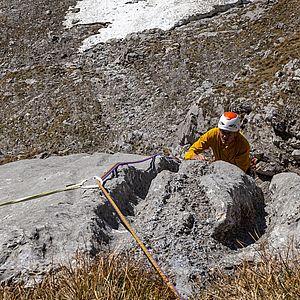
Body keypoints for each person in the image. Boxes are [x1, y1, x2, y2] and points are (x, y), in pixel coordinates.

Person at [184, 112, 251, 173]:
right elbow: (191, 151)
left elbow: (240, 172)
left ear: (236, 133)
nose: (225, 136)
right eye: (223, 131)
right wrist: (194, 156)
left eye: (229, 133)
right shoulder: (213, 134)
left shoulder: (243, 145)